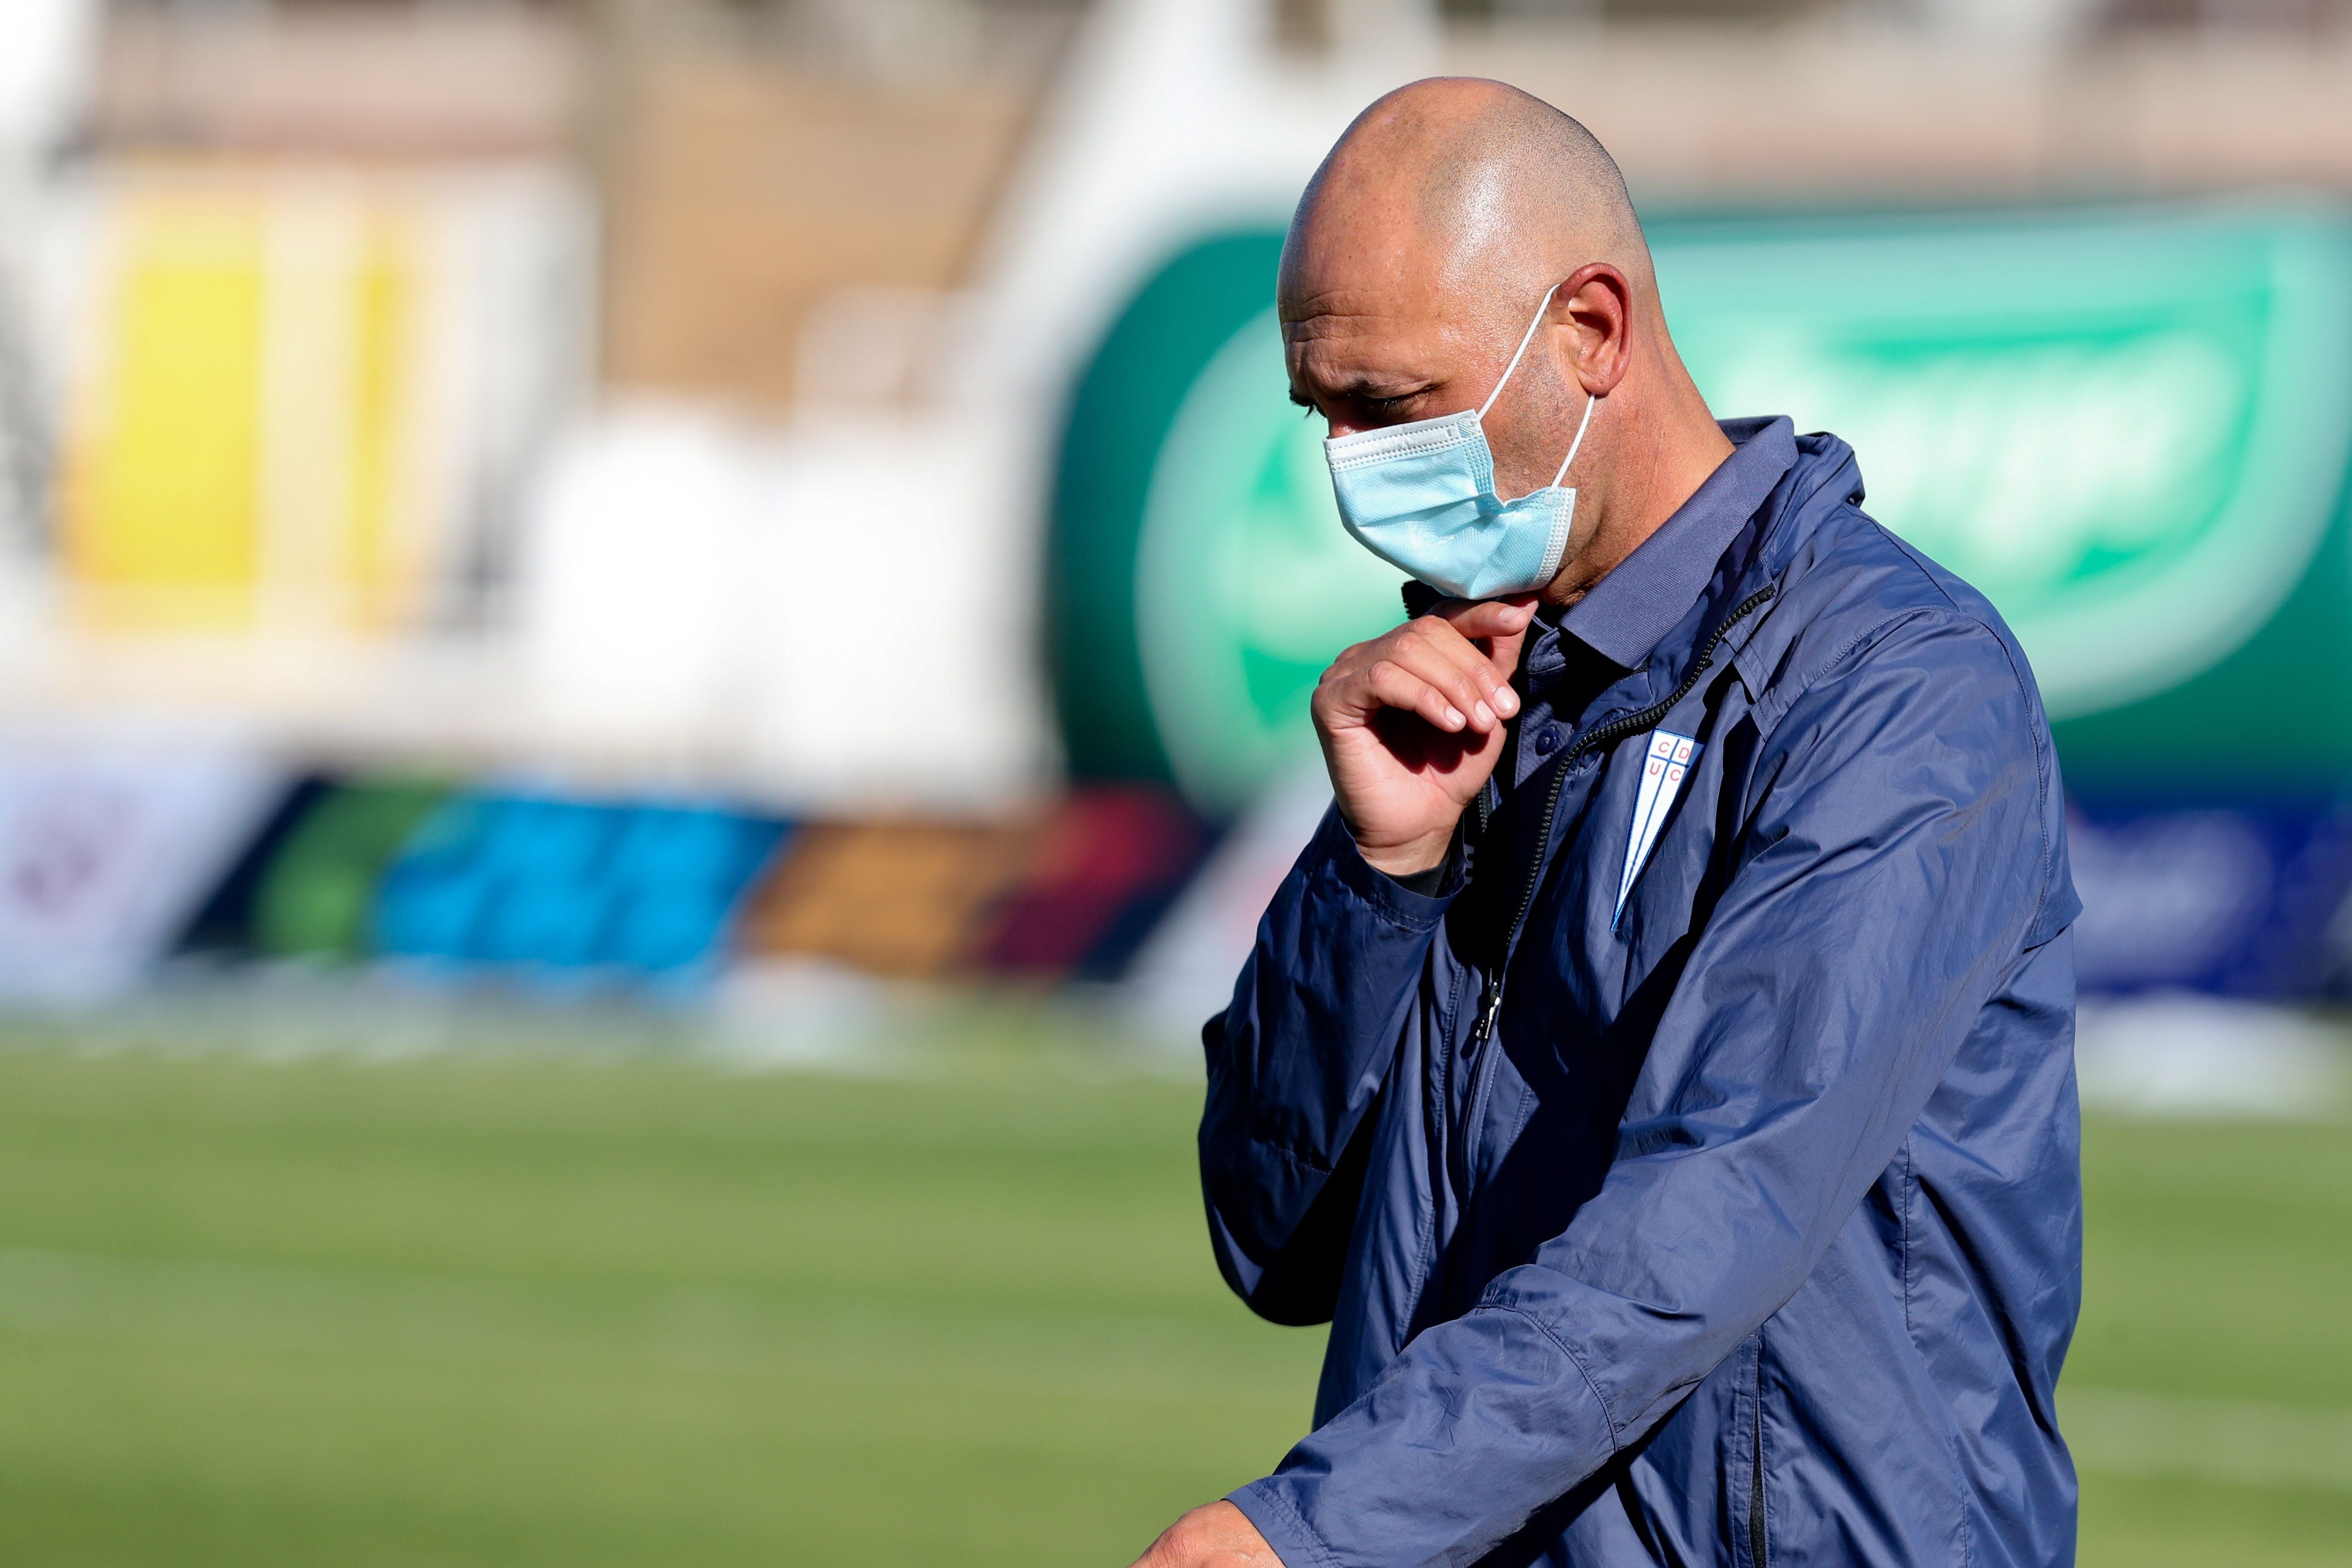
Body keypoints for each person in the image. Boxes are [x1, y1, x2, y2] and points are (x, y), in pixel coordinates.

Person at [1128, 78, 2080, 1568]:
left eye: (1393, 408)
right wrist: (1377, 872)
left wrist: (1310, 1535)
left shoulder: (1898, 692)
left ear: (1590, 331)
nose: (1352, 473)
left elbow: (1711, 1209)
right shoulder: (1472, 686)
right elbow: (1275, 1238)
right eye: (1324, 416)